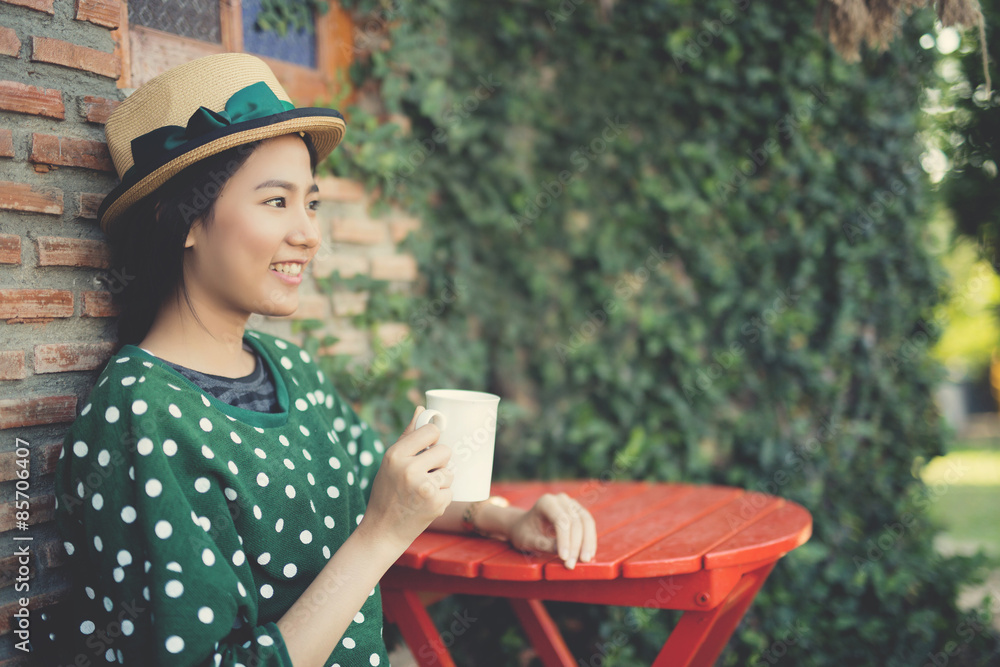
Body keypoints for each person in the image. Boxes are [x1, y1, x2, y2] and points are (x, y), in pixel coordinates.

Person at [32, 53, 598, 667]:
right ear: (185, 220)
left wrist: (501, 519)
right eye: (276, 202)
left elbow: (374, 485)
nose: (308, 234)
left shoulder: (286, 368)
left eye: (312, 203)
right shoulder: (140, 414)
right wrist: (379, 535)